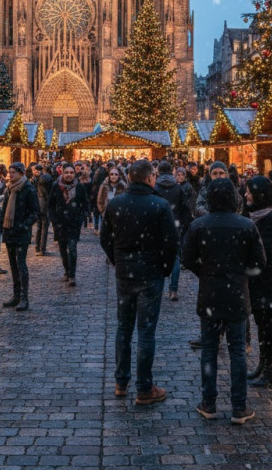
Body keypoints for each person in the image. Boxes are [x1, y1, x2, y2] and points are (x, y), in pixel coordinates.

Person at [181, 178, 265, 424]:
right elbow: (260, 262)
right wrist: (240, 275)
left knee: (209, 349)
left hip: (210, 294)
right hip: (237, 294)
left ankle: (209, 403)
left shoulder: (199, 225)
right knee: (237, 351)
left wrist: (205, 272)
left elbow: (187, 258)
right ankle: (239, 407)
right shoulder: (246, 225)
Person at [101, 158, 179, 406]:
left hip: (125, 274)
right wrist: (164, 268)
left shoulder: (116, 203)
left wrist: (118, 259)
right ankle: (144, 387)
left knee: (124, 328)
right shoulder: (160, 204)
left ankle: (121, 382)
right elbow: (171, 242)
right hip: (150, 273)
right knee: (146, 331)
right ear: (149, 178)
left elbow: (105, 238)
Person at [245, 175, 272, 387]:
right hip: (258, 277)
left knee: (267, 323)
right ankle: (263, 364)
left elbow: (268, 250)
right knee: (261, 322)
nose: (246, 195)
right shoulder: (257, 213)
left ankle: (270, 369)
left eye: (249, 191)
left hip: (268, 278)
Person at [1, 161, 40, 311]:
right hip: (9, 231)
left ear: (21, 173)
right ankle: (16, 295)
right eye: (9, 172)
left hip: (21, 233)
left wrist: (24, 225)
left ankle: (24, 297)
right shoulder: (9, 189)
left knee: (21, 264)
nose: (10, 175)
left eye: (13, 172)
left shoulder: (28, 189)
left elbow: (35, 212)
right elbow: (4, 210)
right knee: (13, 264)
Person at [154, 160, 192, 302]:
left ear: (158, 171)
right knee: (175, 257)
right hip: (175, 225)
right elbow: (186, 207)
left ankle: (158, 288)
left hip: (158, 226)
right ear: (172, 172)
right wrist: (184, 223)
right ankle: (173, 289)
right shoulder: (178, 188)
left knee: (158, 257)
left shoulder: (155, 187)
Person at [48, 163, 90, 286]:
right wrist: (54, 220)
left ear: (74, 174)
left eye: (71, 172)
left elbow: (85, 204)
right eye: (66, 172)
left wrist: (81, 218)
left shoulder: (79, 187)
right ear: (62, 173)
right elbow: (50, 205)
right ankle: (66, 271)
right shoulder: (56, 186)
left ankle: (72, 275)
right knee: (62, 249)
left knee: (72, 248)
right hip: (60, 224)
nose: (69, 175)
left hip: (74, 223)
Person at [31, 163, 53, 256]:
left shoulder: (37, 180)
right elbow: (47, 195)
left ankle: (37, 247)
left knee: (39, 227)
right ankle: (42, 249)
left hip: (38, 204)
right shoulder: (45, 180)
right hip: (44, 205)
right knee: (44, 228)